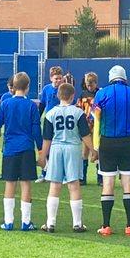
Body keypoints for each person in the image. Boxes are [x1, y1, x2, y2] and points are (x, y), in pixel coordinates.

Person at [0, 72, 42, 231]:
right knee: (26, 185)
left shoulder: (5, 104)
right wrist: (41, 150)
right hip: (27, 149)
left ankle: (8, 222)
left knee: (10, 185)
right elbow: (36, 130)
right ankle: (26, 222)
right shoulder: (31, 105)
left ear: (13, 87)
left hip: (10, 149)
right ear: (28, 87)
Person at [93, 65, 130, 236]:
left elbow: (93, 119)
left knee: (107, 183)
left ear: (110, 78)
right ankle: (129, 226)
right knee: (128, 183)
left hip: (107, 142)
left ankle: (106, 225)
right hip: (128, 142)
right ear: (125, 78)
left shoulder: (101, 94)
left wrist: (95, 146)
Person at [39, 83, 94, 233]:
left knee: (54, 185)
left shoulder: (50, 114)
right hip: (72, 148)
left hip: (56, 148)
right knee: (74, 185)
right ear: (72, 96)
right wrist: (92, 150)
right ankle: (77, 223)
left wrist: (43, 155)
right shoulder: (78, 112)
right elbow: (84, 134)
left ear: (58, 96)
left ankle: (50, 223)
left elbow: (47, 138)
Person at [36, 66, 65, 183]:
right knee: (46, 147)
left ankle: (62, 175)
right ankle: (44, 173)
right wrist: (37, 118)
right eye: (56, 78)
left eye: (60, 78)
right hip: (48, 121)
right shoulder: (46, 89)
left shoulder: (64, 89)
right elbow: (42, 105)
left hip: (60, 123)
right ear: (51, 78)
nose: (58, 81)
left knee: (59, 148)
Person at [75, 72, 99, 186]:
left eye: (91, 84)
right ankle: (82, 177)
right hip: (86, 126)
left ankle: (100, 177)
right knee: (85, 151)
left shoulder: (100, 93)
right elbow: (79, 108)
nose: (89, 87)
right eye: (87, 85)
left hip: (97, 126)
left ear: (95, 83)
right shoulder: (83, 95)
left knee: (98, 150)